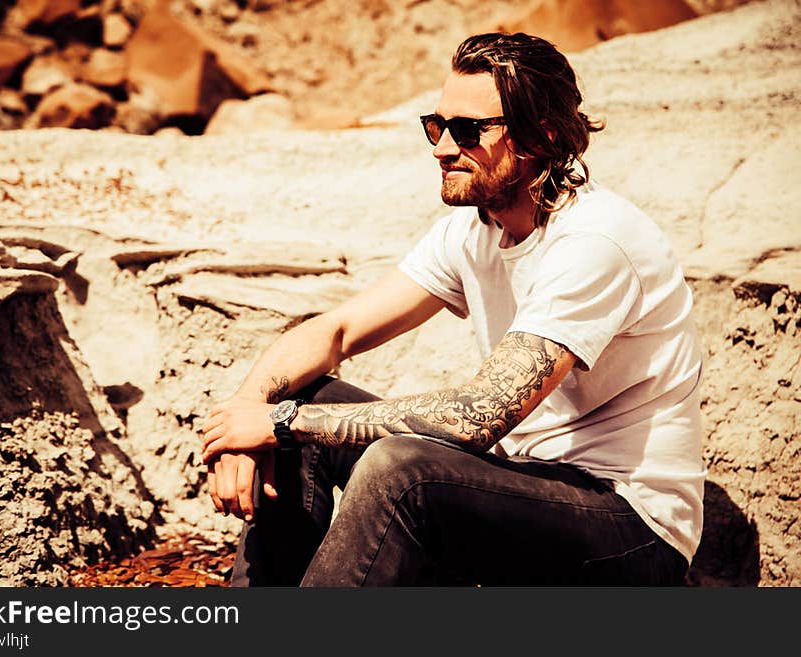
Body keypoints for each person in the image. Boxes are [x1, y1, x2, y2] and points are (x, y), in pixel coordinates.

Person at [200, 31, 705, 586]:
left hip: (628, 530)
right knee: (302, 390)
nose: (442, 148)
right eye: (436, 127)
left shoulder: (595, 242)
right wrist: (247, 413)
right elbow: (337, 332)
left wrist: (281, 425)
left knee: (398, 472)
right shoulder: (474, 230)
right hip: (522, 488)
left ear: (543, 136)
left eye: (468, 131)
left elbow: (480, 415)